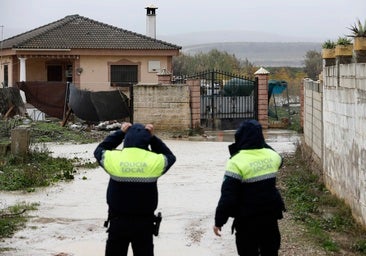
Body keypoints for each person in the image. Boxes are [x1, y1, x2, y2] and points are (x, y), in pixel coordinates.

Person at [94, 122, 176, 256]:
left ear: (126, 140)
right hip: (144, 224)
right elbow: (170, 156)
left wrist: (120, 133)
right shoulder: (153, 161)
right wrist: (153, 138)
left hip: (117, 223)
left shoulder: (114, 158)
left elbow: (100, 150)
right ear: (146, 141)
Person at [213, 119, 285, 256]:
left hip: (247, 220)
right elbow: (279, 159)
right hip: (270, 217)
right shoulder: (273, 157)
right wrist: (261, 143)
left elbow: (228, 196)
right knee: (270, 251)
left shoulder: (235, 162)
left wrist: (219, 221)